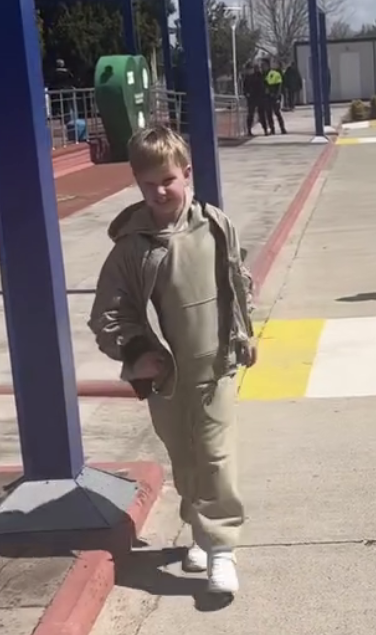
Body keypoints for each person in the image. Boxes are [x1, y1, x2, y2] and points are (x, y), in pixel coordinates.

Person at [88, 126, 257, 595]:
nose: (160, 191)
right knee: (186, 463)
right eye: (148, 184)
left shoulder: (216, 226)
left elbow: (236, 282)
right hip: (167, 380)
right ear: (137, 183)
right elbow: (107, 314)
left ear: (187, 174)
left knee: (216, 457)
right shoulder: (132, 247)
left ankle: (222, 550)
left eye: (168, 180)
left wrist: (245, 332)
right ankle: (201, 530)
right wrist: (136, 354)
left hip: (216, 369)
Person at [262, 58, 286, 134]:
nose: (262, 67)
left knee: (277, 112)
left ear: (268, 65)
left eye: (264, 65)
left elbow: (279, 86)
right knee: (268, 114)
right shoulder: (262, 75)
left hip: (274, 96)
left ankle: (282, 128)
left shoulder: (275, 74)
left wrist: (277, 96)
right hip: (266, 97)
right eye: (262, 65)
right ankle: (272, 129)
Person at [242, 62, 268, 136]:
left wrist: (263, 95)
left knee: (262, 114)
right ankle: (249, 130)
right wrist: (247, 94)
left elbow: (263, 86)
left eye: (250, 69)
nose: (249, 71)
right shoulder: (246, 78)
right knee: (250, 114)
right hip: (251, 98)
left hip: (260, 97)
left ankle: (265, 129)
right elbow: (244, 88)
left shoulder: (259, 76)